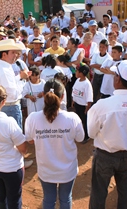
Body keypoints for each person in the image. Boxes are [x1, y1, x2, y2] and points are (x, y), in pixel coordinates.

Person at [88, 59, 127, 209]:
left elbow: (91, 133)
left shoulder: (103, 105)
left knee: (98, 194)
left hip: (105, 156)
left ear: (117, 79)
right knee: (125, 194)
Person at [25, 79, 84, 209]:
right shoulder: (72, 118)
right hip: (68, 170)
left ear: (43, 95)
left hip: (46, 170)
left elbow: (29, 140)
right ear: (63, 97)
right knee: (65, 199)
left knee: (48, 199)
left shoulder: (32, 118)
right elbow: (80, 138)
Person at [71, 63, 93, 143]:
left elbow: (89, 98)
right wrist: (73, 101)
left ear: (82, 73)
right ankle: (79, 133)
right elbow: (74, 91)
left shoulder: (87, 84)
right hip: (77, 104)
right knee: (78, 119)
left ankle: (86, 136)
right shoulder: (77, 80)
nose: (76, 73)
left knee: (85, 121)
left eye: (77, 71)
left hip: (83, 106)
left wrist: (87, 109)